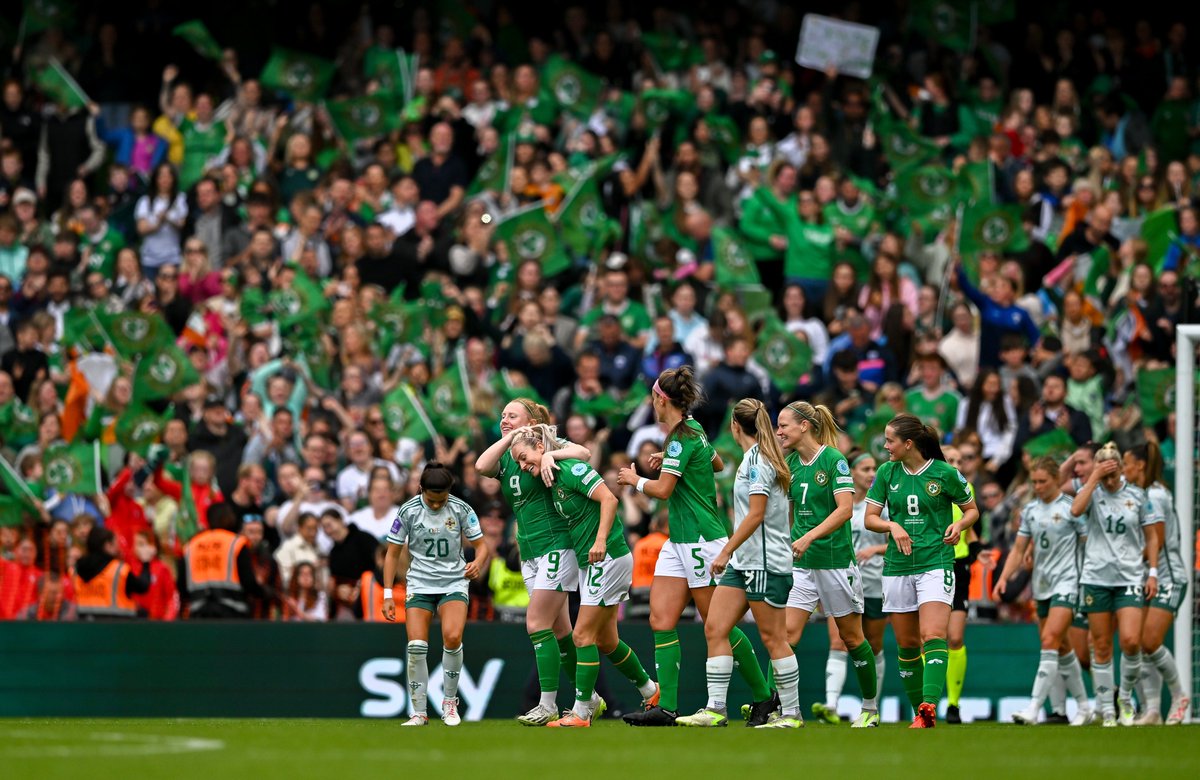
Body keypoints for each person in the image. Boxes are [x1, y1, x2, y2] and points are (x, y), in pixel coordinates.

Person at [617, 367, 774, 727]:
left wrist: (634, 479)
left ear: (661, 399)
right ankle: (667, 707)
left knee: (718, 626)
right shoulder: (693, 430)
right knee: (661, 618)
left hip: (703, 540)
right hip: (680, 540)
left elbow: (662, 491)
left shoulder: (678, 438)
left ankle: (764, 697)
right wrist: (673, 463)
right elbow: (716, 463)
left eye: (653, 397)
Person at [509, 426, 658, 727]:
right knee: (607, 641)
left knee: (580, 636)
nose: (524, 467)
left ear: (540, 446)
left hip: (609, 556)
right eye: (519, 464)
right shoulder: (550, 474)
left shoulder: (572, 469)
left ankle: (581, 711)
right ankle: (651, 691)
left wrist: (601, 539)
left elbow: (610, 500)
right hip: (591, 562)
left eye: (525, 458)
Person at [674, 399, 801, 728]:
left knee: (774, 638)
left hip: (764, 562)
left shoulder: (759, 461)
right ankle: (715, 708)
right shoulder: (753, 458)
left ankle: (791, 713)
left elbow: (757, 514)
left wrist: (726, 550)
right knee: (715, 627)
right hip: (745, 564)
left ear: (734, 427)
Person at [474, 398, 596, 726]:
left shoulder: (545, 444)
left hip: (558, 545)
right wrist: (510, 438)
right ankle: (590, 698)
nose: (504, 419)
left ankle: (548, 705)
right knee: (559, 631)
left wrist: (548, 455)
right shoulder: (511, 455)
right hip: (528, 551)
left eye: (511, 415)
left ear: (530, 421)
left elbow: (584, 454)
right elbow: (481, 467)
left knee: (536, 623)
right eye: (502, 415)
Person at [864, 413, 979, 728]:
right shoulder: (887, 473)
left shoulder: (945, 473)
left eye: (890, 441)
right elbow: (869, 517)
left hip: (935, 561)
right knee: (907, 644)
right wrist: (891, 525)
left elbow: (972, 511)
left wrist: (958, 524)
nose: (885, 446)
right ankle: (921, 714)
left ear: (908, 443)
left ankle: (929, 705)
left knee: (933, 634)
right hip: (897, 565)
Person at [775, 401, 879, 727]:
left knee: (851, 638)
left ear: (804, 426)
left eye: (784, 425)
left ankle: (870, 709)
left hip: (834, 561)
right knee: (785, 635)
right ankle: (781, 709)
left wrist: (808, 537)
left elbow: (845, 509)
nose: (779, 432)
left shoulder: (833, 460)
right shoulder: (790, 463)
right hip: (802, 565)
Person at [382, 462, 489, 727]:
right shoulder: (408, 511)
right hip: (419, 583)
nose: (436, 505)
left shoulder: (462, 509)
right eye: (431, 500)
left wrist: (477, 563)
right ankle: (418, 712)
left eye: (441, 500)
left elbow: (482, 546)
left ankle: (450, 703)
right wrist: (386, 593)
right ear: (421, 490)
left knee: (452, 637)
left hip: (453, 581)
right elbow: (392, 552)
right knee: (416, 647)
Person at [992, 457, 1092, 725]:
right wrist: (1003, 578)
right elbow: (1018, 549)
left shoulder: (1072, 508)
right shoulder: (1032, 511)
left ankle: (1033, 708)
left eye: (1042, 481)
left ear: (1056, 480)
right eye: (1034, 482)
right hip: (1042, 585)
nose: (1037, 487)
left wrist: (1088, 577)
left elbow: (1088, 545)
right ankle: (1083, 707)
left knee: (1049, 641)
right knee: (1060, 646)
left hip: (1068, 583)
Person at [1070, 442, 1160, 727]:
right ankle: (1107, 708)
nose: (1109, 480)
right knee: (1101, 645)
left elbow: (1153, 537)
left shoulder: (1138, 496)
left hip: (1130, 577)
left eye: (1112, 472)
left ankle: (1125, 697)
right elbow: (1075, 510)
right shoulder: (1092, 493)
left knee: (1132, 641)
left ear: (1122, 468)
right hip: (1096, 577)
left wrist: (1153, 571)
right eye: (1103, 473)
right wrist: (1094, 477)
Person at [1123, 442, 1191, 724]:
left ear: (1140, 465)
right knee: (1136, 643)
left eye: (1127, 464)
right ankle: (1152, 709)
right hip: (1145, 577)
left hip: (1168, 576)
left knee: (1150, 640)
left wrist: (1124, 559)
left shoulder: (1156, 495)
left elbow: (1156, 542)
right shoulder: (1138, 495)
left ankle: (1179, 694)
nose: (1124, 470)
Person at [178, 502, 264, 619]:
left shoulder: (191, 545)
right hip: (232, 614)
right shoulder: (236, 543)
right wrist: (265, 592)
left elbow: (181, 586)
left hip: (199, 614)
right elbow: (248, 583)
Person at [73, 527, 154, 620]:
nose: (118, 548)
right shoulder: (118, 570)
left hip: (82, 625)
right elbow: (142, 587)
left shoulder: (76, 569)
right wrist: (145, 562)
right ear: (108, 545)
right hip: (116, 626)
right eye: (116, 544)